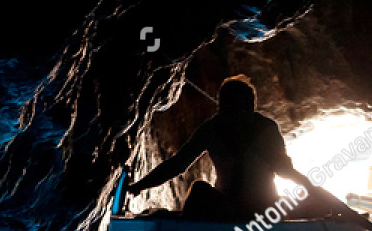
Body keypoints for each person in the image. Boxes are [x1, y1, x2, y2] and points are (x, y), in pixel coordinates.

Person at [123, 75, 326, 222]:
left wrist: (321, 197)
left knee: (308, 205)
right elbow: (178, 164)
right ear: (221, 107)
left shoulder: (265, 129)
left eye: (240, 108)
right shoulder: (212, 128)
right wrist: (139, 186)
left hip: (264, 210)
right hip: (226, 209)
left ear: (251, 108)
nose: (235, 116)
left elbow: (285, 170)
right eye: (229, 108)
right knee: (199, 189)